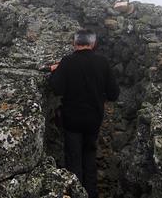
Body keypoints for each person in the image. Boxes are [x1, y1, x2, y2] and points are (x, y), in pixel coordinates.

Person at [50, 28, 120, 198]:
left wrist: (55, 72)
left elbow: (57, 89)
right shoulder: (102, 62)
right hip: (94, 121)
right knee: (89, 155)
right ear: (93, 43)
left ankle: (76, 193)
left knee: (74, 160)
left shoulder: (67, 62)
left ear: (75, 43)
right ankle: (91, 193)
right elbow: (114, 94)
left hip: (72, 121)